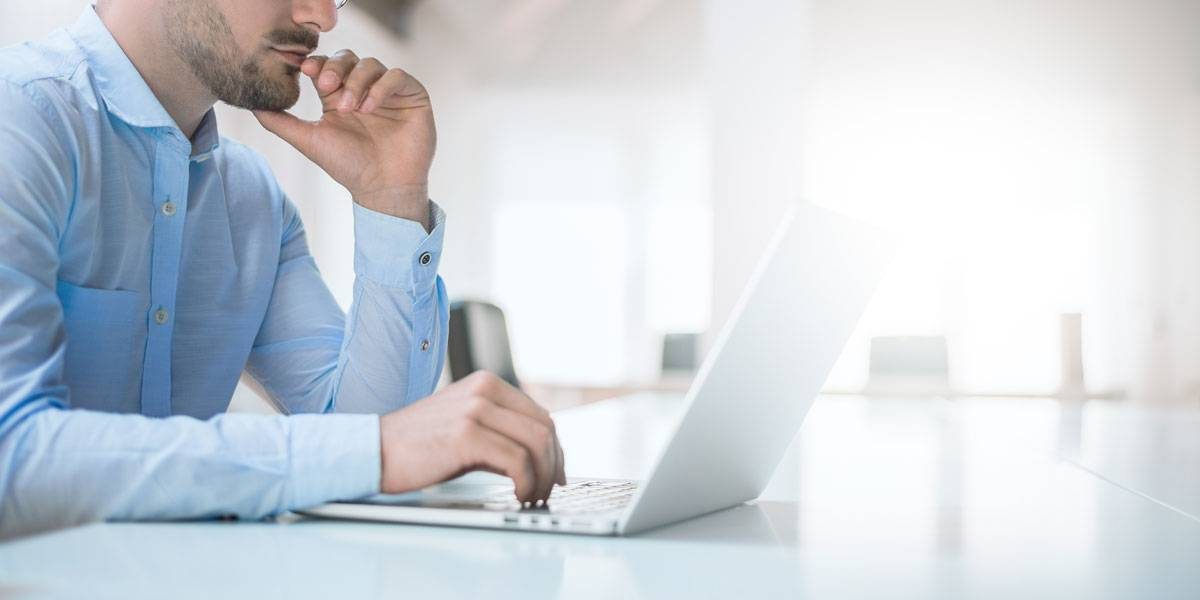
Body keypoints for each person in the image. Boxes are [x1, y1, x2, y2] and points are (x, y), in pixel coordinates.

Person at [0, 0, 564, 538]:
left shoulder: (250, 198)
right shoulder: (20, 119)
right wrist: (378, 452)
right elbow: (11, 456)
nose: (320, 17)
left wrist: (391, 198)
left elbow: (366, 441)